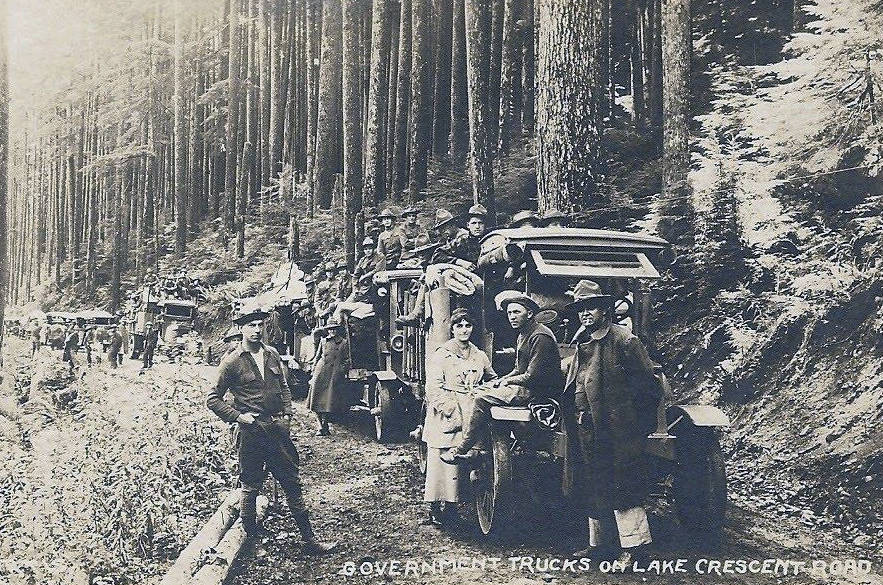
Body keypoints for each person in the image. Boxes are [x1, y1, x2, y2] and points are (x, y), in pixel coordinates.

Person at [206, 306, 336, 553]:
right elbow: (213, 399)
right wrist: (238, 417)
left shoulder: (273, 354)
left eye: (260, 325)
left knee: (291, 482)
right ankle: (251, 543)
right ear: (241, 328)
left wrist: (287, 415)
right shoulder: (232, 361)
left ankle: (309, 540)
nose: (256, 330)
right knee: (251, 486)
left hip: (276, 430)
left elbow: (284, 387)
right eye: (250, 326)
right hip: (252, 432)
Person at [562, 280, 661, 565]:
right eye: (581, 308)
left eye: (591, 307)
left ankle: (634, 549)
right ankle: (600, 546)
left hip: (620, 431)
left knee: (624, 485)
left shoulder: (625, 341)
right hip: (588, 428)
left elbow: (648, 389)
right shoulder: (583, 342)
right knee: (593, 482)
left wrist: (634, 429)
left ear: (605, 309)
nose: (585, 313)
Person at [442, 294, 563, 463]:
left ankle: (463, 448)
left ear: (529, 314)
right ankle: (479, 446)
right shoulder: (523, 334)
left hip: (538, 392)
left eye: (516, 312)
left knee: (480, 399)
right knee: (478, 390)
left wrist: (506, 381)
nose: (511, 317)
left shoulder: (539, 336)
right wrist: (500, 380)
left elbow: (532, 376)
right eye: (509, 313)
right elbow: (517, 370)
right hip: (526, 387)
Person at [422, 308, 496, 526]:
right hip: (448, 411)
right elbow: (433, 387)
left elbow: (492, 378)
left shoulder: (479, 355)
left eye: (468, 325)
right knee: (441, 459)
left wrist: (487, 390)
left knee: (463, 458)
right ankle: (435, 507)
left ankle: (454, 507)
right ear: (452, 329)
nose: (464, 330)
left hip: (473, 410)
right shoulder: (441, 354)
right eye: (459, 326)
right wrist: (449, 409)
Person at [306, 319, 354, 436]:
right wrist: (313, 372)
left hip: (333, 375)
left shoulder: (343, 342)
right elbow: (317, 357)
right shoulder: (323, 341)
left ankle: (325, 424)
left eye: (334, 329)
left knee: (328, 402)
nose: (332, 331)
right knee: (315, 400)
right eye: (330, 329)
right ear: (327, 330)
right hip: (321, 372)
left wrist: (340, 371)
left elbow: (347, 360)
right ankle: (320, 426)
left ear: (337, 330)